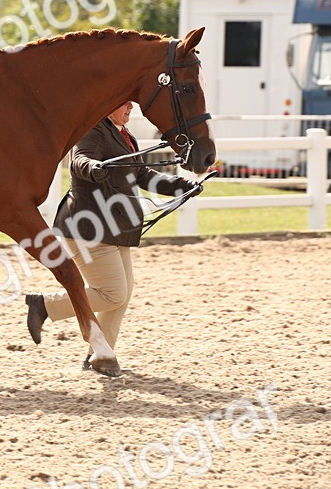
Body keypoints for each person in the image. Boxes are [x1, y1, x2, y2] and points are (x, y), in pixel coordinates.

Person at [24, 100, 201, 369]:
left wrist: (182, 186)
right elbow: (80, 159)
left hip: (117, 229)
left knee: (123, 294)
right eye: (125, 103)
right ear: (108, 105)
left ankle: (101, 356)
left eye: (132, 104)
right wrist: (93, 168)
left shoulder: (124, 134)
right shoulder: (93, 129)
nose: (131, 108)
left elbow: (142, 175)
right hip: (89, 230)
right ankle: (45, 306)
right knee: (113, 294)